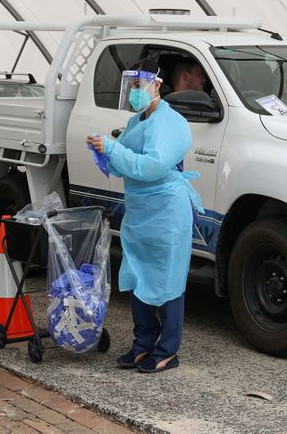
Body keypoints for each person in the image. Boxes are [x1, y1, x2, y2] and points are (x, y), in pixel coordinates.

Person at [87, 59, 202, 374]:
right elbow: (120, 163)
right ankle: (143, 344)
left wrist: (113, 149)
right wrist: (103, 150)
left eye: (139, 85)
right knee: (138, 275)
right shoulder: (137, 120)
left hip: (166, 211)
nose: (135, 92)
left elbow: (151, 166)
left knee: (167, 279)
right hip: (140, 210)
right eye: (131, 86)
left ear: (157, 85)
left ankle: (167, 350)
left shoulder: (171, 122)